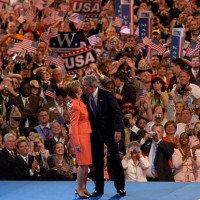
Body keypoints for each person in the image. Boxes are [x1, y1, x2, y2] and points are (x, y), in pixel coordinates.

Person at [81, 75, 126, 197]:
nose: (83, 88)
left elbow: (117, 113)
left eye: (84, 86)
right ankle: (98, 189)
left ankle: (120, 187)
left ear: (91, 86)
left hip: (110, 132)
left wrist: (118, 130)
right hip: (94, 133)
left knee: (115, 159)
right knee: (97, 162)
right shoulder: (84, 96)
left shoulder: (107, 94)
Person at [65, 80, 92, 198]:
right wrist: (76, 143)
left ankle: (84, 187)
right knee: (82, 164)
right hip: (80, 137)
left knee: (86, 164)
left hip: (86, 135)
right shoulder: (74, 104)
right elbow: (73, 125)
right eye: (79, 87)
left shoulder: (80, 102)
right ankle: (79, 188)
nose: (81, 88)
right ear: (76, 90)